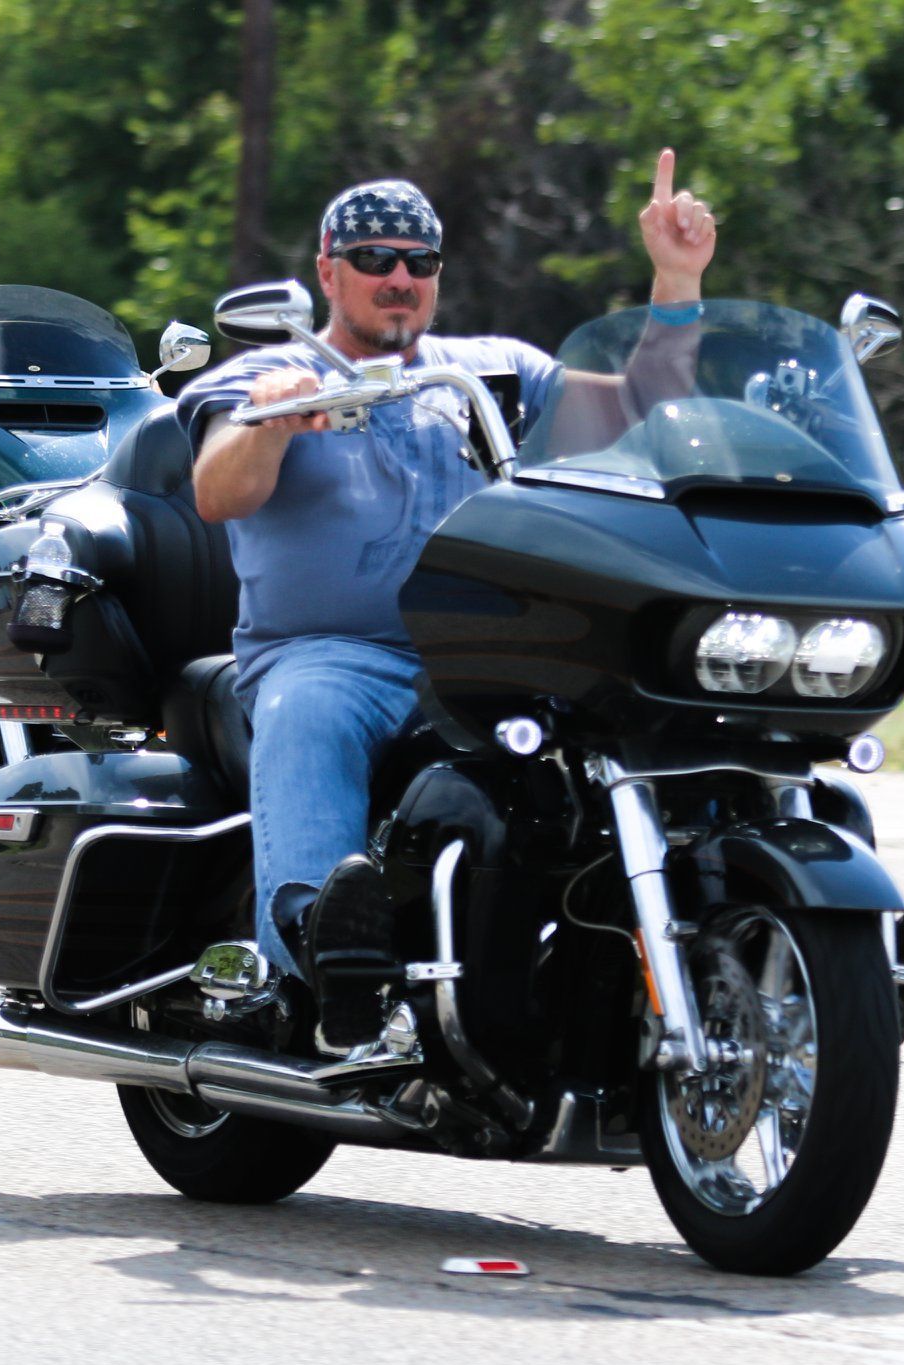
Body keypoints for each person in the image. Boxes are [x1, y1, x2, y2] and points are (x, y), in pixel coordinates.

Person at [175, 151, 716, 1047]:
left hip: (496, 659)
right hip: (334, 655)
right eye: (375, 259)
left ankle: (716, 934)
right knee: (309, 708)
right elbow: (215, 491)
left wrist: (675, 280)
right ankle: (316, 959)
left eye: (418, 262)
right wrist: (270, 419)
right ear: (326, 272)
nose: (398, 278)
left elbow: (644, 407)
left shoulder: (494, 372)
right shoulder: (270, 377)